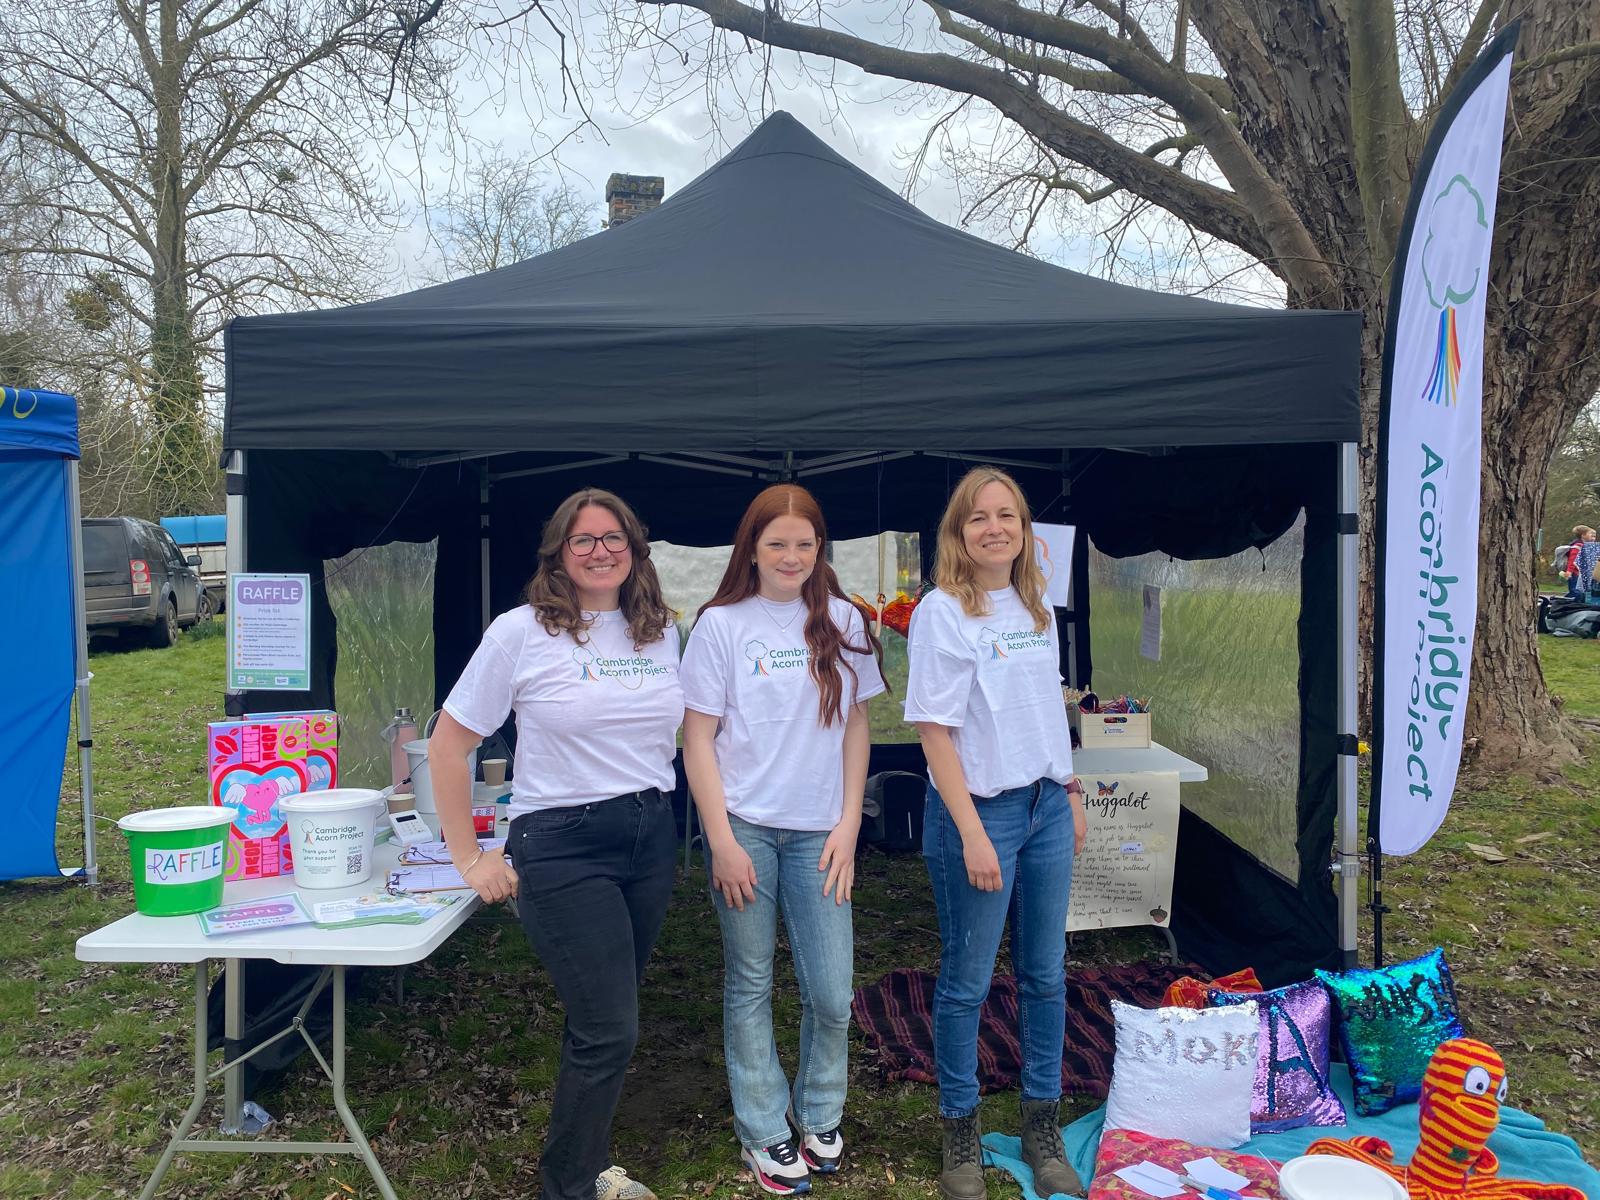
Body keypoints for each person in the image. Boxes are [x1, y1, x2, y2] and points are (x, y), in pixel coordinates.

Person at [428, 487, 683, 1200]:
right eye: (584, 540)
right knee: (610, 1028)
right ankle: (566, 1184)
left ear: (634, 550)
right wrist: (469, 856)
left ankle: (589, 1162)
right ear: (559, 555)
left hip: (649, 834)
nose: (600, 551)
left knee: (607, 1017)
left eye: (614, 539)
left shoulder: (658, 630)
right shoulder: (519, 632)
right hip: (563, 844)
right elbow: (449, 747)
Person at [680, 484, 885, 1196]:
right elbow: (697, 738)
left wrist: (852, 822)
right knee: (750, 980)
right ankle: (765, 1128)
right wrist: (720, 839)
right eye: (777, 544)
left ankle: (820, 1111)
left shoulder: (844, 619)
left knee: (831, 991)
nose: (791, 556)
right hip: (743, 829)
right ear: (752, 549)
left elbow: (858, 725)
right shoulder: (720, 627)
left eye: (805, 544)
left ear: (819, 548)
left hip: (822, 831)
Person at [903, 466, 1088, 1200]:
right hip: (981, 814)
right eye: (978, 518)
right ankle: (961, 1130)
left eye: (1006, 516)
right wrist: (974, 832)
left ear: (1024, 529)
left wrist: (1071, 790)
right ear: (958, 531)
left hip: (1045, 807)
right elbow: (934, 732)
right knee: (967, 983)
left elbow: (1046, 713)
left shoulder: (1033, 607)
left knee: (1046, 974)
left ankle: (1041, 1122)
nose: (994, 528)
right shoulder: (944, 612)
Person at [1560, 526, 1593, 599]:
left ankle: (1564, 602)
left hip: (1578, 573)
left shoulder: (1583, 545)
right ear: (1583, 535)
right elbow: (1573, 560)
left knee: (1575, 592)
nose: (1592, 536)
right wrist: (1569, 571)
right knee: (1575, 592)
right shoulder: (1577, 546)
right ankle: (1562, 603)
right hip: (1574, 573)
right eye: (1589, 533)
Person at [1577, 526, 1600, 599]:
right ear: (1583, 535)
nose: (1593, 538)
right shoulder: (1581, 546)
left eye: (1594, 536)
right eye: (1591, 536)